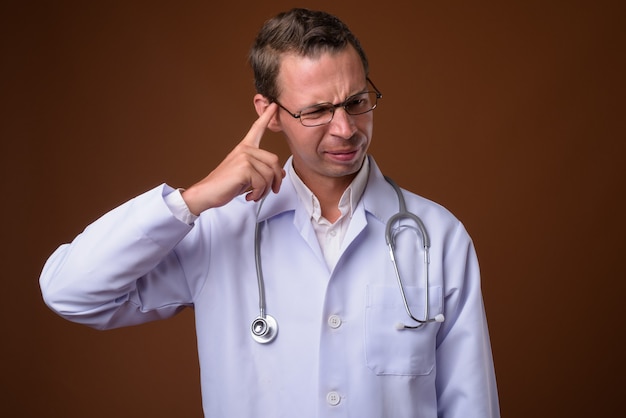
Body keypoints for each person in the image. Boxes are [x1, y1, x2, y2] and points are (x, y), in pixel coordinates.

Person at [40, 8, 500, 417]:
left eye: (357, 103)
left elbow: (470, 403)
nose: (346, 129)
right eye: (317, 110)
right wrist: (192, 199)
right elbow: (71, 292)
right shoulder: (219, 229)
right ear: (270, 113)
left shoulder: (437, 236)